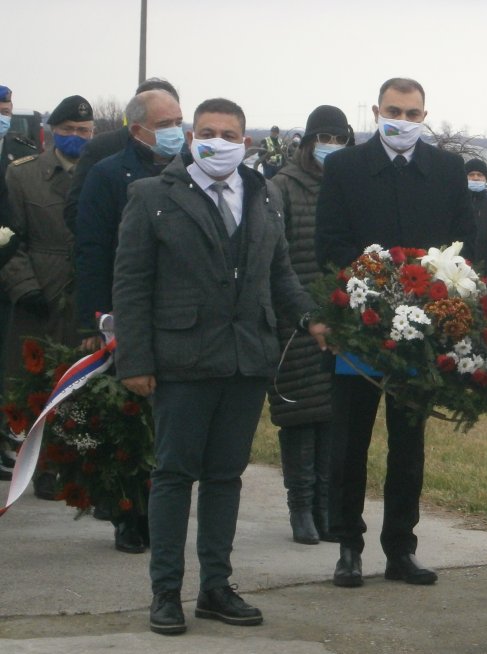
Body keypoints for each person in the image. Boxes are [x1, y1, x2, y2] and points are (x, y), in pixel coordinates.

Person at [113, 97, 327, 636]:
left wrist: (313, 319)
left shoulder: (263, 196)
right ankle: (166, 591)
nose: (217, 142)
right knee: (173, 475)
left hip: (246, 359)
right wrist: (134, 359)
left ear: (245, 142)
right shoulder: (151, 196)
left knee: (225, 477)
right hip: (182, 359)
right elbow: (132, 284)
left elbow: (281, 276)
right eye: (206, 132)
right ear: (190, 136)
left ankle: (215, 586)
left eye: (228, 134)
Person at [315, 77, 474, 589]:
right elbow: (329, 242)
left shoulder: (447, 169)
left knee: (409, 445)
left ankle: (401, 548)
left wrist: (438, 294)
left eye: (412, 113)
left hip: (423, 329)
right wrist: (371, 290)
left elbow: (464, 241)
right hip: (358, 325)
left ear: (425, 116)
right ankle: (347, 546)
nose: (401, 121)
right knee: (349, 442)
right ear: (376, 110)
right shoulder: (344, 167)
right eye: (393, 111)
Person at [72, 88, 184, 553]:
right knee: (128, 419)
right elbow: (93, 251)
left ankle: (163, 509)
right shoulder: (108, 175)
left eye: (180, 120)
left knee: (169, 424)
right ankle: (127, 513)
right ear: (137, 130)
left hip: (178, 314)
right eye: (166, 124)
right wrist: (94, 320)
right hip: (124, 314)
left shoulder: (190, 171)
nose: (178, 132)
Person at [266, 105, 353, 546]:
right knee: (299, 416)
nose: (331, 149)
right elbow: (275, 259)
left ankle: (324, 505)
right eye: (325, 139)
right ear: (307, 143)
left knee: (333, 417)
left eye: (340, 140)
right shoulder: (281, 187)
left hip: (341, 316)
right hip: (294, 317)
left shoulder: (351, 187)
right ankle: (300, 505)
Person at [2, 94, 94, 394]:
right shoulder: (22, 174)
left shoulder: (102, 174)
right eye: (68, 128)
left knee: (85, 393)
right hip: (39, 293)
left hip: (86, 299)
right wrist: (24, 287)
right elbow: (8, 237)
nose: (75, 136)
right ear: (53, 129)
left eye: (83, 130)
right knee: (30, 387)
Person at [63, 78, 180, 234]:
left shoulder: (185, 156)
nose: (172, 130)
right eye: (163, 123)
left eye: (177, 122)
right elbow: (77, 212)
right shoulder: (102, 149)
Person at [0, 83, 38, 482]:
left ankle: (6, 442)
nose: (4, 112)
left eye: (6, 106)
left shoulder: (21, 152)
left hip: (8, 278)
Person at [465, 158, 487, 275]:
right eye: (471, 174)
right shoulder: (459, 202)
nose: (476, 178)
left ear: (486, 178)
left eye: (480, 174)